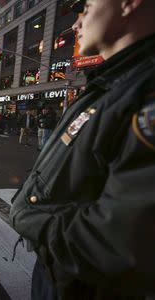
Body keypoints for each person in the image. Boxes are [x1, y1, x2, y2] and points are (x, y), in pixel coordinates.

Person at [10, 0, 155, 299]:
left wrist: (33, 221)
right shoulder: (108, 86)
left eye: (86, 7)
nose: (75, 24)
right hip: (62, 275)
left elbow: (124, 240)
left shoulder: (142, 93)